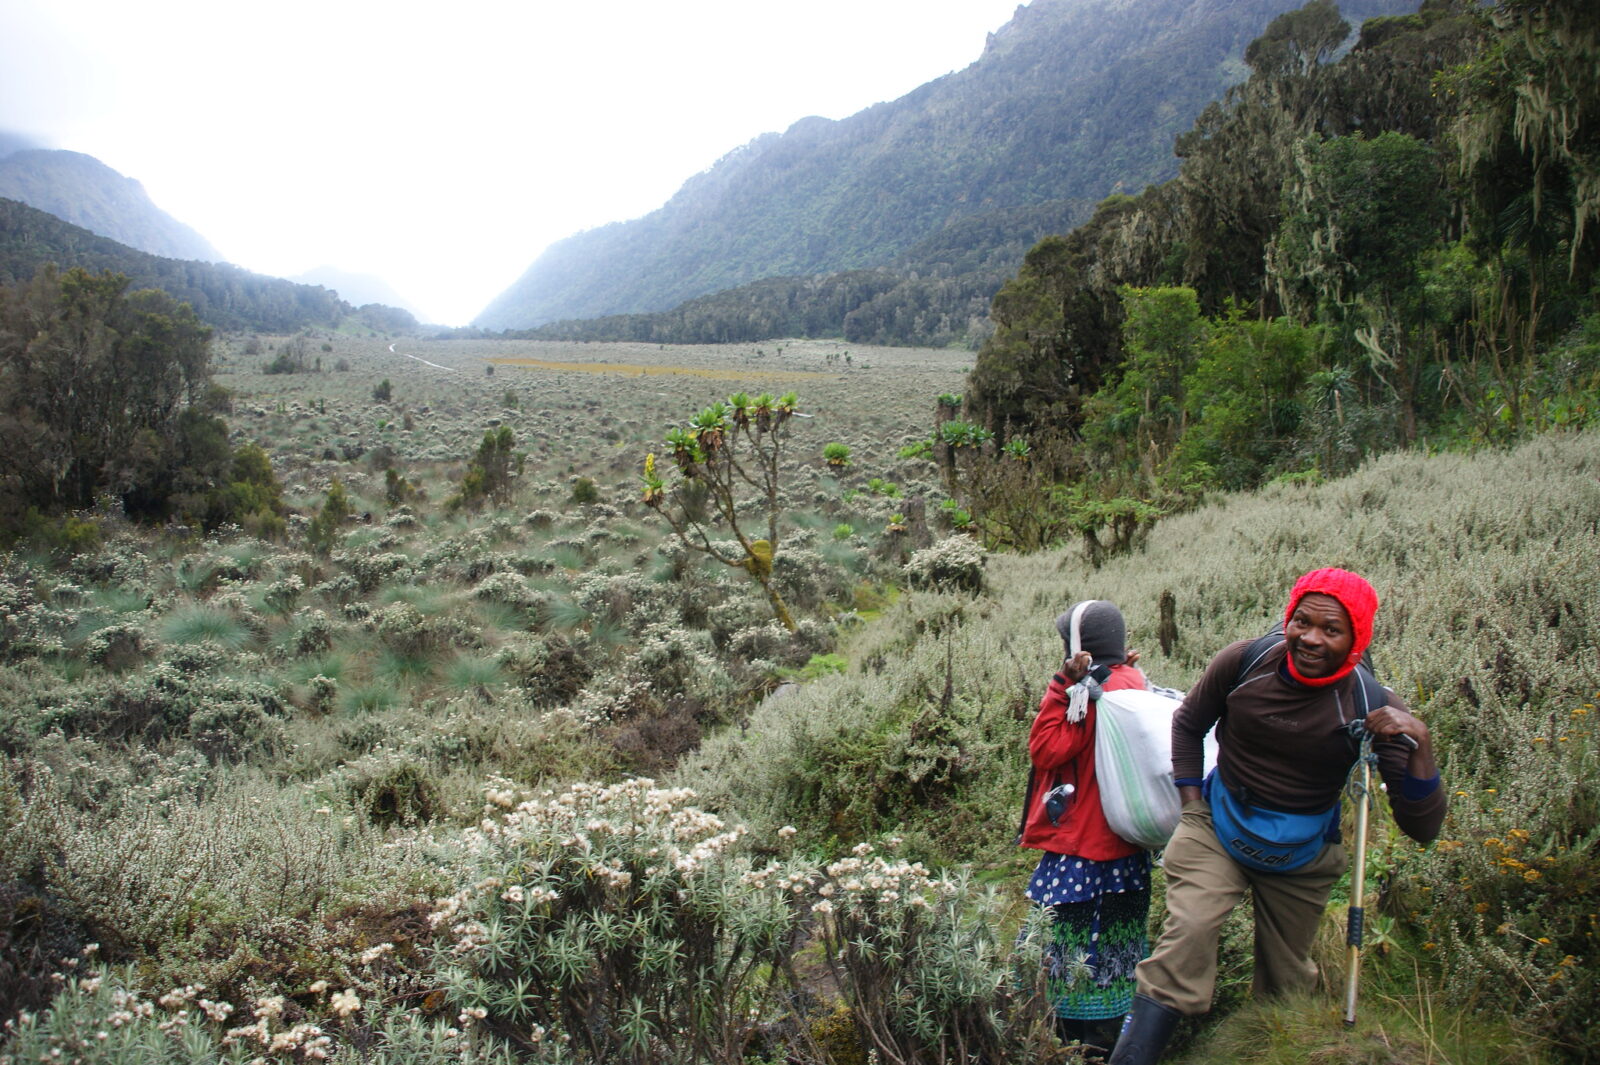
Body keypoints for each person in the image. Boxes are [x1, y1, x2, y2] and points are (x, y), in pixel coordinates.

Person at [1107, 568, 1447, 1065]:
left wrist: (1421, 743)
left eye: (1331, 630)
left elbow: (1423, 828)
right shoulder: (1245, 662)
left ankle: (1262, 1046)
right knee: (1186, 939)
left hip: (1303, 851)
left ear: (1356, 639)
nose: (1310, 639)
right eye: (1301, 622)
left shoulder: (1372, 704)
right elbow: (1187, 724)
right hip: (1217, 827)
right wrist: (1190, 803)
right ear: (1287, 618)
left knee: (1287, 984)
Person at [1020, 599, 1157, 1060]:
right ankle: (1111, 1034)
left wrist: (1062, 686)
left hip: (1081, 847)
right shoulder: (1132, 681)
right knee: (1116, 940)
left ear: (1080, 648)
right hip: (1126, 847)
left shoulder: (1086, 693)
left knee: (1065, 943)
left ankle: (1064, 1035)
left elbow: (1046, 750)